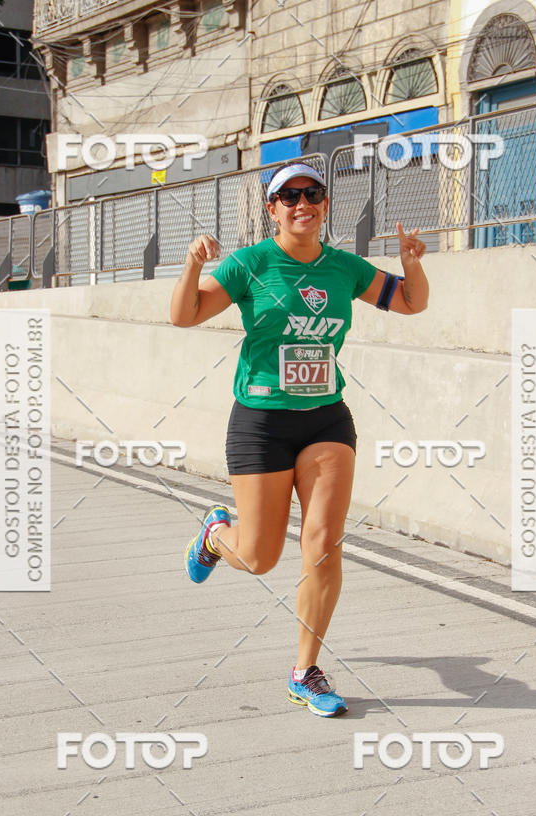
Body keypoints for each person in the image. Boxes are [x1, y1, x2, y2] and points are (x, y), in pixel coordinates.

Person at [170, 161, 428, 718]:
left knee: (323, 544)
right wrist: (192, 268)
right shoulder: (250, 264)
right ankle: (217, 534)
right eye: (288, 196)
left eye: (312, 193)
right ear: (272, 208)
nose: (301, 203)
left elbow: (410, 302)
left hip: (325, 420)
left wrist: (411, 266)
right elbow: (185, 315)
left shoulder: (343, 267)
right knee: (260, 557)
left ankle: (304, 672)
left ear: (325, 203)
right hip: (261, 422)